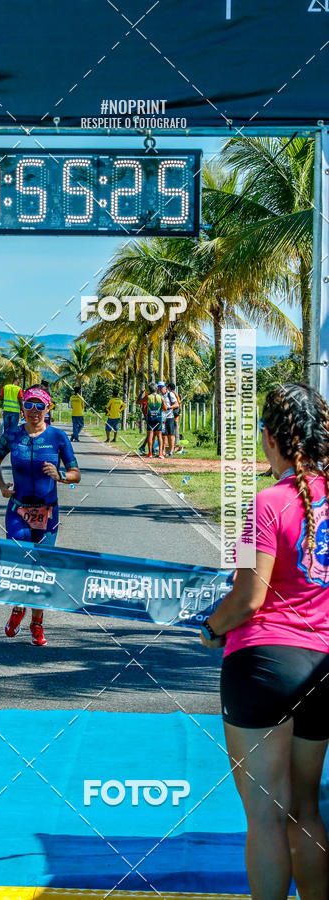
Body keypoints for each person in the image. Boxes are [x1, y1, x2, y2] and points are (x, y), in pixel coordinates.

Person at [199, 383, 329, 900]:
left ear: (270, 438)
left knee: (266, 815)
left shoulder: (267, 504)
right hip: (322, 666)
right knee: (306, 808)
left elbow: (248, 599)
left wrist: (212, 628)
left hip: (264, 664)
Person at [0, 384, 80, 646]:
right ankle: (18, 609)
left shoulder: (58, 438)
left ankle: (37, 623)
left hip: (47, 513)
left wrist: (61, 476)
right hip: (18, 509)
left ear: (48, 408)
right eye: (29, 405)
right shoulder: (11, 435)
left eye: (40, 406)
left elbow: (76, 473)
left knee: (41, 569)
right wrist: (2, 486)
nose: (34, 411)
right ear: (22, 408)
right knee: (19, 564)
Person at [145, 382, 165, 458]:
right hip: (158, 417)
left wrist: (141, 394)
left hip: (150, 417)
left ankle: (150, 453)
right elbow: (165, 408)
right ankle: (160, 453)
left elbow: (138, 401)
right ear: (156, 389)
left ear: (149, 389)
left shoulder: (148, 397)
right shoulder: (161, 397)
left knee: (150, 435)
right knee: (159, 435)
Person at [160, 383, 179, 457]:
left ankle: (171, 451)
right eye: (159, 387)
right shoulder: (159, 395)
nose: (160, 388)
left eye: (161, 387)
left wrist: (168, 408)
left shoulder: (170, 394)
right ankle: (163, 451)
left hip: (170, 417)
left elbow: (176, 405)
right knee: (162, 435)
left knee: (170, 435)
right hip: (162, 417)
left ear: (165, 387)